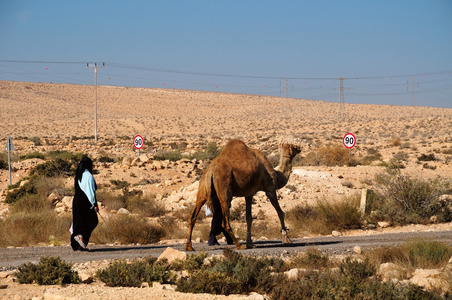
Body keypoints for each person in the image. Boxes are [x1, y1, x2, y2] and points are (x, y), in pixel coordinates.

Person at [70, 157, 99, 251]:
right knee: (93, 221)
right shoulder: (88, 175)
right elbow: (90, 192)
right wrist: (94, 204)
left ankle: (78, 245)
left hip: (76, 201)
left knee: (78, 222)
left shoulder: (79, 175)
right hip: (85, 201)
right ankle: (80, 236)